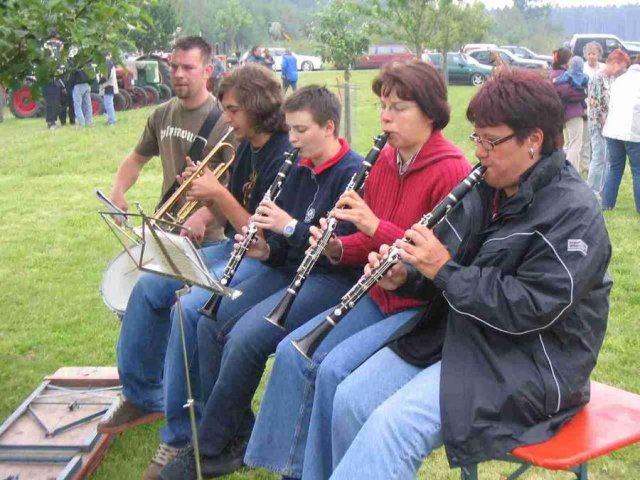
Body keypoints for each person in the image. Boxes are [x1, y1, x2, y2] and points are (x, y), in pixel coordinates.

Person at [327, 68, 612, 480]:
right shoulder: (487, 187)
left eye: (490, 141)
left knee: (392, 428)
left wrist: (442, 269)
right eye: (476, 137)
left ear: (533, 141)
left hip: (530, 364)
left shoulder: (574, 213)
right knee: (351, 398)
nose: (478, 151)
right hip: (466, 336)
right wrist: (410, 276)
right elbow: (448, 269)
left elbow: (532, 307)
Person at [243, 60, 471, 479]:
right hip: (376, 292)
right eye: (384, 105)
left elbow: (431, 258)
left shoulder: (452, 169)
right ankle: (292, 468)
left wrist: (372, 225)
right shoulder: (385, 159)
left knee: (330, 370)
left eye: (399, 107)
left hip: (415, 305)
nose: (386, 116)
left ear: (431, 112)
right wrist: (336, 247)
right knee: (294, 355)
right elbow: (369, 243)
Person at [158, 85, 365, 480]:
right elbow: (283, 247)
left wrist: (289, 228)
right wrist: (265, 249)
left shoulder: (353, 173)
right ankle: (236, 431)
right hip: (287, 269)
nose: (293, 139)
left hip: (329, 279)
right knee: (208, 321)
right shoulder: (298, 165)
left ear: (329, 127)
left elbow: (340, 251)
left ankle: (212, 446)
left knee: (245, 338)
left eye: (302, 130)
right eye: (290, 130)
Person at [105, 62, 292, 480]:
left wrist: (218, 195)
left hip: (261, 257)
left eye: (233, 111)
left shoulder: (283, 150)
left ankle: (179, 438)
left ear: (257, 108)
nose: (227, 119)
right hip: (234, 247)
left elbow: (259, 234)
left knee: (189, 309)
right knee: (150, 284)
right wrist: (204, 197)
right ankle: (140, 393)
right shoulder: (248, 144)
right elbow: (229, 203)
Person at [586, 49, 630, 199]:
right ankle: (591, 190)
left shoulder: (611, 79)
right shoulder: (597, 78)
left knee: (607, 159)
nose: (622, 70)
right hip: (598, 124)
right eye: (622, 67)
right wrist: (603, 121)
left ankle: (603, 189)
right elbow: (595, 104)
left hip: (609, 125)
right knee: (598, 157)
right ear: (614, 63)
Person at [601, 54, 640, 213]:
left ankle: (607, 205)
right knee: (637, 170)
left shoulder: (619, 81)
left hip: (613, 130)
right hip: (633, 132)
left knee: (615, 168)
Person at [551, 48, 587, 173]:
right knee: (575, 145)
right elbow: (567, 93)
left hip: (564, 114)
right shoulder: (562, 74)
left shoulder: (556, 73)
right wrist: (583, 93)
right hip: (573, 112)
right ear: (566, 60)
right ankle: (572, 173)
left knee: (567, 145)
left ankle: (564, 170)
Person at [70, 61, 93, 127]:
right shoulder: (88, 62)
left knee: (77, 106)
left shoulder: (75, 63)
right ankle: (89, 122)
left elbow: (72, 75)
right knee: (88, 105)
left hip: (78, 85)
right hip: (87, 84)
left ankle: (81, 123)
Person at [99, 53, 118, 125]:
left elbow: (107, 75)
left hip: (108, 85)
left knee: (108, 104)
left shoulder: (107, 63)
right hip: (110, 85)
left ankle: (112, 120)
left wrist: (100, 81)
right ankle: (110, 119)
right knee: (109, 103)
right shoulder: (110, 62)